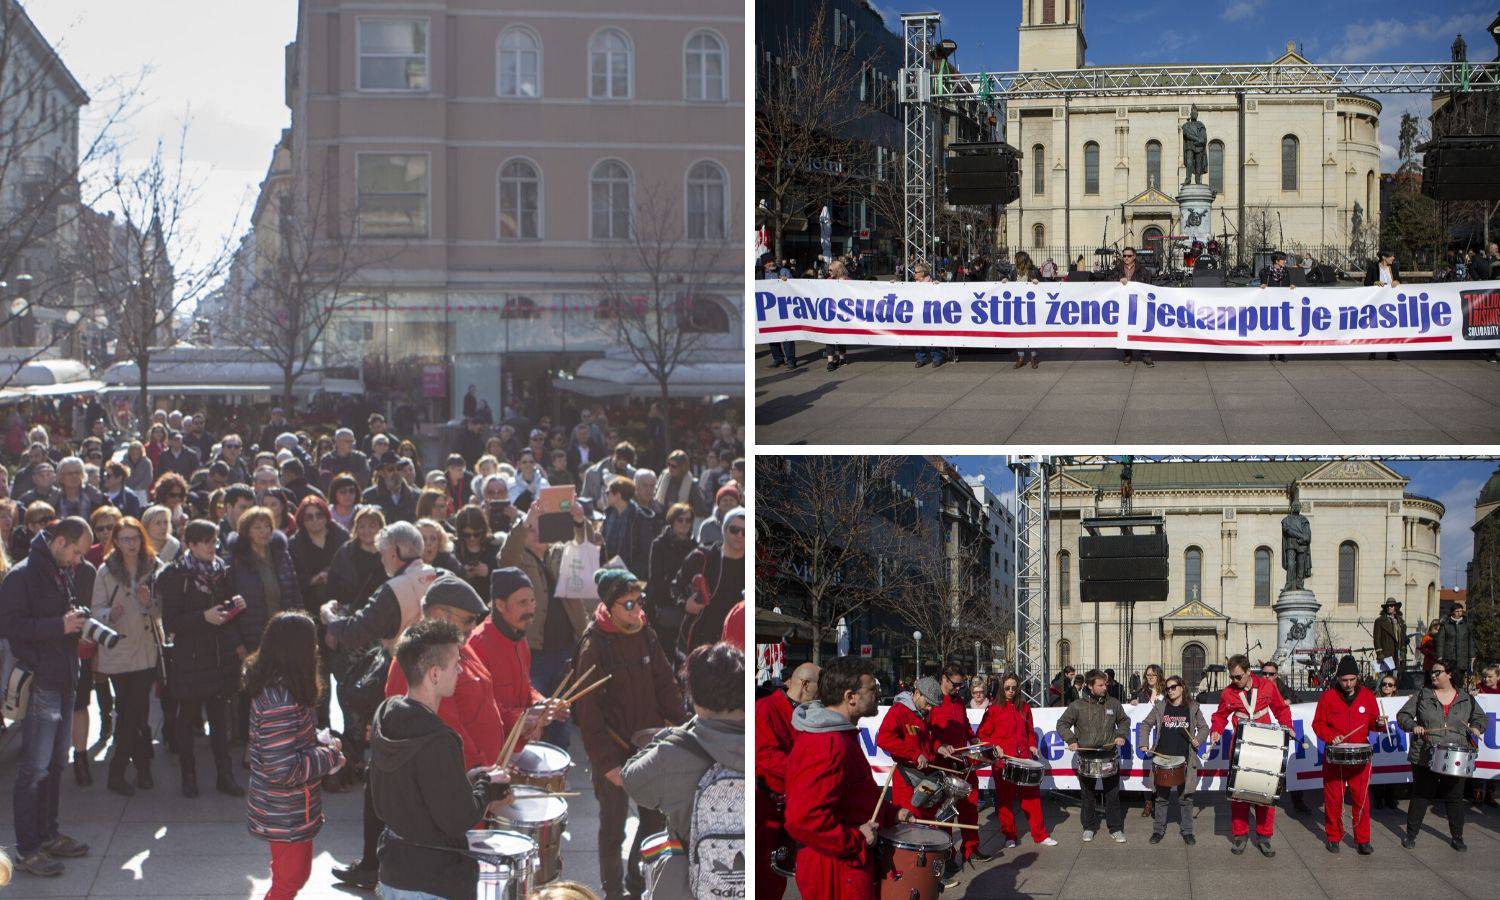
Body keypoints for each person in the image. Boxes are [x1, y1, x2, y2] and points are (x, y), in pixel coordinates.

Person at [368, 618, 513, 900]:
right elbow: (458, 819)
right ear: (434, 674)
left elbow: (410, 791)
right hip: (431, 882)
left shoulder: (386, 716)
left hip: (394, 873)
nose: (460, 670)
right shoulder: (437, 740)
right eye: (456, 663)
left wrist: (471, 779)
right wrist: (487, 788)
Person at [572, 567, 686, 900]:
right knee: (613, 828)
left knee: (652, 822)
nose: (636, 609)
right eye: (628, 603)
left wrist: (680, 726)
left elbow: (665, 682)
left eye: (638, 601)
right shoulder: (593, 645)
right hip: (612, 751)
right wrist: (606, 764)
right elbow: (588, 713)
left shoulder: (646, 633)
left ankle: (636, 883)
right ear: (609, 606)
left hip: (648, 748)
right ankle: (612, 891)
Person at [0, 517, 95, 877]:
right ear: (58, 542)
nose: (77, 560)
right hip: (41, 682)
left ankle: (48, 834)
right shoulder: (22, 575)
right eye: (75, 551)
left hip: (65, 675)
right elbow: (9, 627)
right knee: (34, 770)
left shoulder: (58, 568)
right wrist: (61, 625)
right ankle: (26, 849)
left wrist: (76, 623)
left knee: (56, 765)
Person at [623, 642, 746, 900]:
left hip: (688, 886)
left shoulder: (675, 752)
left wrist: (674, 734)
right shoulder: (763, 742)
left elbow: (632, 780)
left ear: (693, 695)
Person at [784, 656, 909, 900]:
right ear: (850, 696)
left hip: (845, 864)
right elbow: (802, 819)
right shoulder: (828, 744)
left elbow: (854, 796)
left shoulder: (839, 737)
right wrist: (855, 839)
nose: (877, 694)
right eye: (872, 689)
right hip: (834, 870)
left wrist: (891, 813)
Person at [245, 611, 345, 899]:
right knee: (289, 881)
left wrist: (317, 742)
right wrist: (329, 756)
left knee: (294, 876)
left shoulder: (281, 689)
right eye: (311, 643)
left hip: (288, 808)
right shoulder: (281, 700)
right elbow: (282, 768)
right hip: (285, 810)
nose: (316, 649)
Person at [157, 519, 245, 799]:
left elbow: (223, 611)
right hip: (190, 656)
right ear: (190, 545)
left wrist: (234, 607)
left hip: (219, 655)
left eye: (214, 541)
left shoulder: (222, 570)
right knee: (187, 719)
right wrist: (202, 618)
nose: (211, 547)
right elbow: (171, 622)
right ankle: (189, 775)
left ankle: (225, 774)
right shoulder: (176, 575)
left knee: (220, 719)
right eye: (205, 542)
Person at [89, 516, 164, 797]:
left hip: (146, 649)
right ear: (116, 543)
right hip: (119, 650)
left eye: (134, 538)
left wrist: (148, 604)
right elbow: (95, 611)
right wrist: (111, 615)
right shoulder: (105, 571)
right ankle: (123, 771)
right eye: (124, 539)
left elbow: (163, 611)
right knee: (130, 711)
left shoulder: (155, 567)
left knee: (139, 711)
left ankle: (137, 769)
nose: (130, 544)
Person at [1397, 657, 1486, 851]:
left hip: (1455, 754)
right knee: (1421, 795)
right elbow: (1402, 716)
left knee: (1454, 797)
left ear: (1450, 675)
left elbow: (1480, 718)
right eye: (1432, 672)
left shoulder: (1465, 698)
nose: (1433, 675)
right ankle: (1411, 835)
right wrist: (1414, 726)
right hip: (1425, 752)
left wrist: (1477, 727)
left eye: (1438, 672)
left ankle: (1457, 837)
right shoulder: (1423, 694)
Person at [1208, 654, 1292, 856]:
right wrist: (1216, 731)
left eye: (1238, 677)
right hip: (1240, 746)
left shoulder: (1267, 687)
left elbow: (1281, 710)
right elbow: (1220, 716)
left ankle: (1265, 837)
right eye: (1232, 677)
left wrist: (1288, 727)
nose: (1234, 681)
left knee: (1266, 792)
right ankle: (1240, 835)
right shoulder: (1228, 693)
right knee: (1239, 795)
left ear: (1248, 672)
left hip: (1265, 747)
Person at [755, 662, 819, 900]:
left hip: (791, 807)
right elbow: (766, 757)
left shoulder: (806, 712)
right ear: (804, 684)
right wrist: (807, 769)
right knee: (764, 880)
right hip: (767, 810)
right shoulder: (766, 709)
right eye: (818, 687)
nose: (820, 694)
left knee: (778, 877)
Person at [1311, 654, 1386, 854]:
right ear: (1338, 679)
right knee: (1333, 798)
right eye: (1344, 680)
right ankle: (1333, 836)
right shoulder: (1328, 697)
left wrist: (1378, 724)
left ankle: (1363, 840)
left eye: (1352, 680)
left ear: (1357, 678)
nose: (1348, 684)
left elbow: (1372, 723)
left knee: (1361, 799)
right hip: (1335, 755)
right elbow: (1317, 724)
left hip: (1360, 754)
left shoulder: (1368, 696)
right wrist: (1331, 736)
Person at [978, 673, 1056, 849]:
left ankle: (1040, 835)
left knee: (1032, 799)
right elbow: (982, 735)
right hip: (1003, 762)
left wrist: (1032, 745)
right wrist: (994, 746)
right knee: (1005, 801)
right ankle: (1009, 835)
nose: (1011, 691)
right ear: (1001, 688)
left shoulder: (1024, 707)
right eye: (1007, 688)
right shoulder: (993, 710)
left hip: (1023, 760)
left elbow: (1029, 732)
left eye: (1014, 688)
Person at [1058, 669, 1129, 843]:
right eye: (1101, 685)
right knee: (1087, 794)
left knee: (1112, 794)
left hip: (1109, 754)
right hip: (1086, 756)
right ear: (1090, 686)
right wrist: (1071, 739)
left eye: (1106, 684)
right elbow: (1062, 724)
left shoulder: (1113, 703)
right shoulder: (1077, 706)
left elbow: (1124, 721)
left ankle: (1116, 828)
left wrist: (1121, 735)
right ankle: (1089, 827)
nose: (1105, 687)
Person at [1140, 674, 1208, 845]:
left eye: (1173, 687)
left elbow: (1204, 727)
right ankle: (1158, 830)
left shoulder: (1192, 707)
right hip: (1162, 759)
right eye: (1167, 688)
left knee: (1186, 798)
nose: (1170, 691)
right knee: (1161, 797)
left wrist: (1198, 739)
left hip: (1185, 759)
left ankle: (1187, 831)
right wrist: (1143, 743)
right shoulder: (1161, 707)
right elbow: (1146, 724)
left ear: (1182, 687)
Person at [928, 665, 986, 863]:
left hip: (962, 763)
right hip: (943, 765)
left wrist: (973, 738)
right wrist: (939, 745)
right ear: (944, 679)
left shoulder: (959, 701)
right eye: (955, 684)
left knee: (970, 809)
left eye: (961, 685)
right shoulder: (933, 701)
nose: (958, 688)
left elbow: (965, 725)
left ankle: (971, 850)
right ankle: (947, 855)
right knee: (946, 814)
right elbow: (926, 734)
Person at [676, 507, 745, 656]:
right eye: (734, 529)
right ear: (724, 530)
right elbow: (675, 587)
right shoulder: (702, 557)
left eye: (746, 532)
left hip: (735, 646)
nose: (740, 535)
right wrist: (685, 604)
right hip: (698, 641)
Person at [1259, 659, 1310, 813]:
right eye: (1264, 673)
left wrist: (1289, 700)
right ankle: (1264, 800)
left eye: (1271, 674)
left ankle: (1298, 802)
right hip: (1264, 734)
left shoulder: (1282, 688)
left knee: (1289, 768)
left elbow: (1297, 699)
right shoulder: (1257, 687)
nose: (1267, 676)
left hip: (1281, 733)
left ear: (1277, 675)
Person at [1113, 247, 1156, 365]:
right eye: (1124, 256)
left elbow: (1148, 285)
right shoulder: (1117, 270)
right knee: (1125, 328)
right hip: (1124, 303)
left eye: (1129, 256)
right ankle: (1127, 354)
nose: (1126, 258)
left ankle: (1146, 355)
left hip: (1139, 303)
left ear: (1134, 256)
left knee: (1142, 328)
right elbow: (1110, 284)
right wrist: (1118, 280)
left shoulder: (1143, 270)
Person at [1363, 249, 1402, 360]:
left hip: (1391, 302)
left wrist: (1397, 281)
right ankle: (1373, 352)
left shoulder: (1393, 267)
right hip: (1377, 302)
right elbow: (1366, 282)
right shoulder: (1374, 267)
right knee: (1375, 325)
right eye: (1391, 256)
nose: (1393, 258)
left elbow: (1399, 280)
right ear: (1384, 257)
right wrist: (1375, 282)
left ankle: (1391, 352)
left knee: (1392, 326)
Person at [1005, 252, 1042, 368]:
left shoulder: (1033, 271)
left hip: (1031, 306)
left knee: (1031, 332)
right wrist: (1006, 282)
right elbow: (1011, 284)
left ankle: (1033, 357)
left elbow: (1044, 286)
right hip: (1018, 305)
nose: (1014, 261)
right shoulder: (1014, 271)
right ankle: (1020, 357)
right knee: (1019, 332)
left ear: (1021, 260)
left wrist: (1037, 282)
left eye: (1016, 259)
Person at [1372, 674, 1401, 810]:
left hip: (1393, 736)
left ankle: (1391, 797)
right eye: (1384, 684)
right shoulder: (1375, 699)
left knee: (1392, 765)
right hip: (1378, 737)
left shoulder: (1398, 701)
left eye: (1390, 685)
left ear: (1394, 688)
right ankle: (1378, 798)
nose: (1386, 687)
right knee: (1378, 766)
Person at [364, 451, 417, 524]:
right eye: (390, 469)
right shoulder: (369, 496)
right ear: (382, 473)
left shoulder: (415, 496)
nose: (396, 472)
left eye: (399, 468)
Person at [1436, 602, 1475, 682]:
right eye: (1457, 611)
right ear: (1452, 612)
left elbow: (1470, 640)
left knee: (1460, 679)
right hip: (1449, 656)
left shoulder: (1466, 624)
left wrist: (1472, 655)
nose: (1459, 613)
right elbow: (1440, 641)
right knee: (1450, 679)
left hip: (1463, 657)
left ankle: (1460, 693)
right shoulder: (1445, 625)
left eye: (1461, 611)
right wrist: (1440, 656)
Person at [1374, 598, 1407, 673]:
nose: (1389, 607)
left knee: (1395, 678)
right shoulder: (1379, 621)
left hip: (1397, 654)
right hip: (1386, 653)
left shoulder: (1400, 622)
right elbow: (1377, 639)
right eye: (1387, 606)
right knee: (1382, 678)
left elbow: (1403, 638)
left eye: (1391, 606)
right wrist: (1379, 653)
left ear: (1395, 607)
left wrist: (1403, 650)